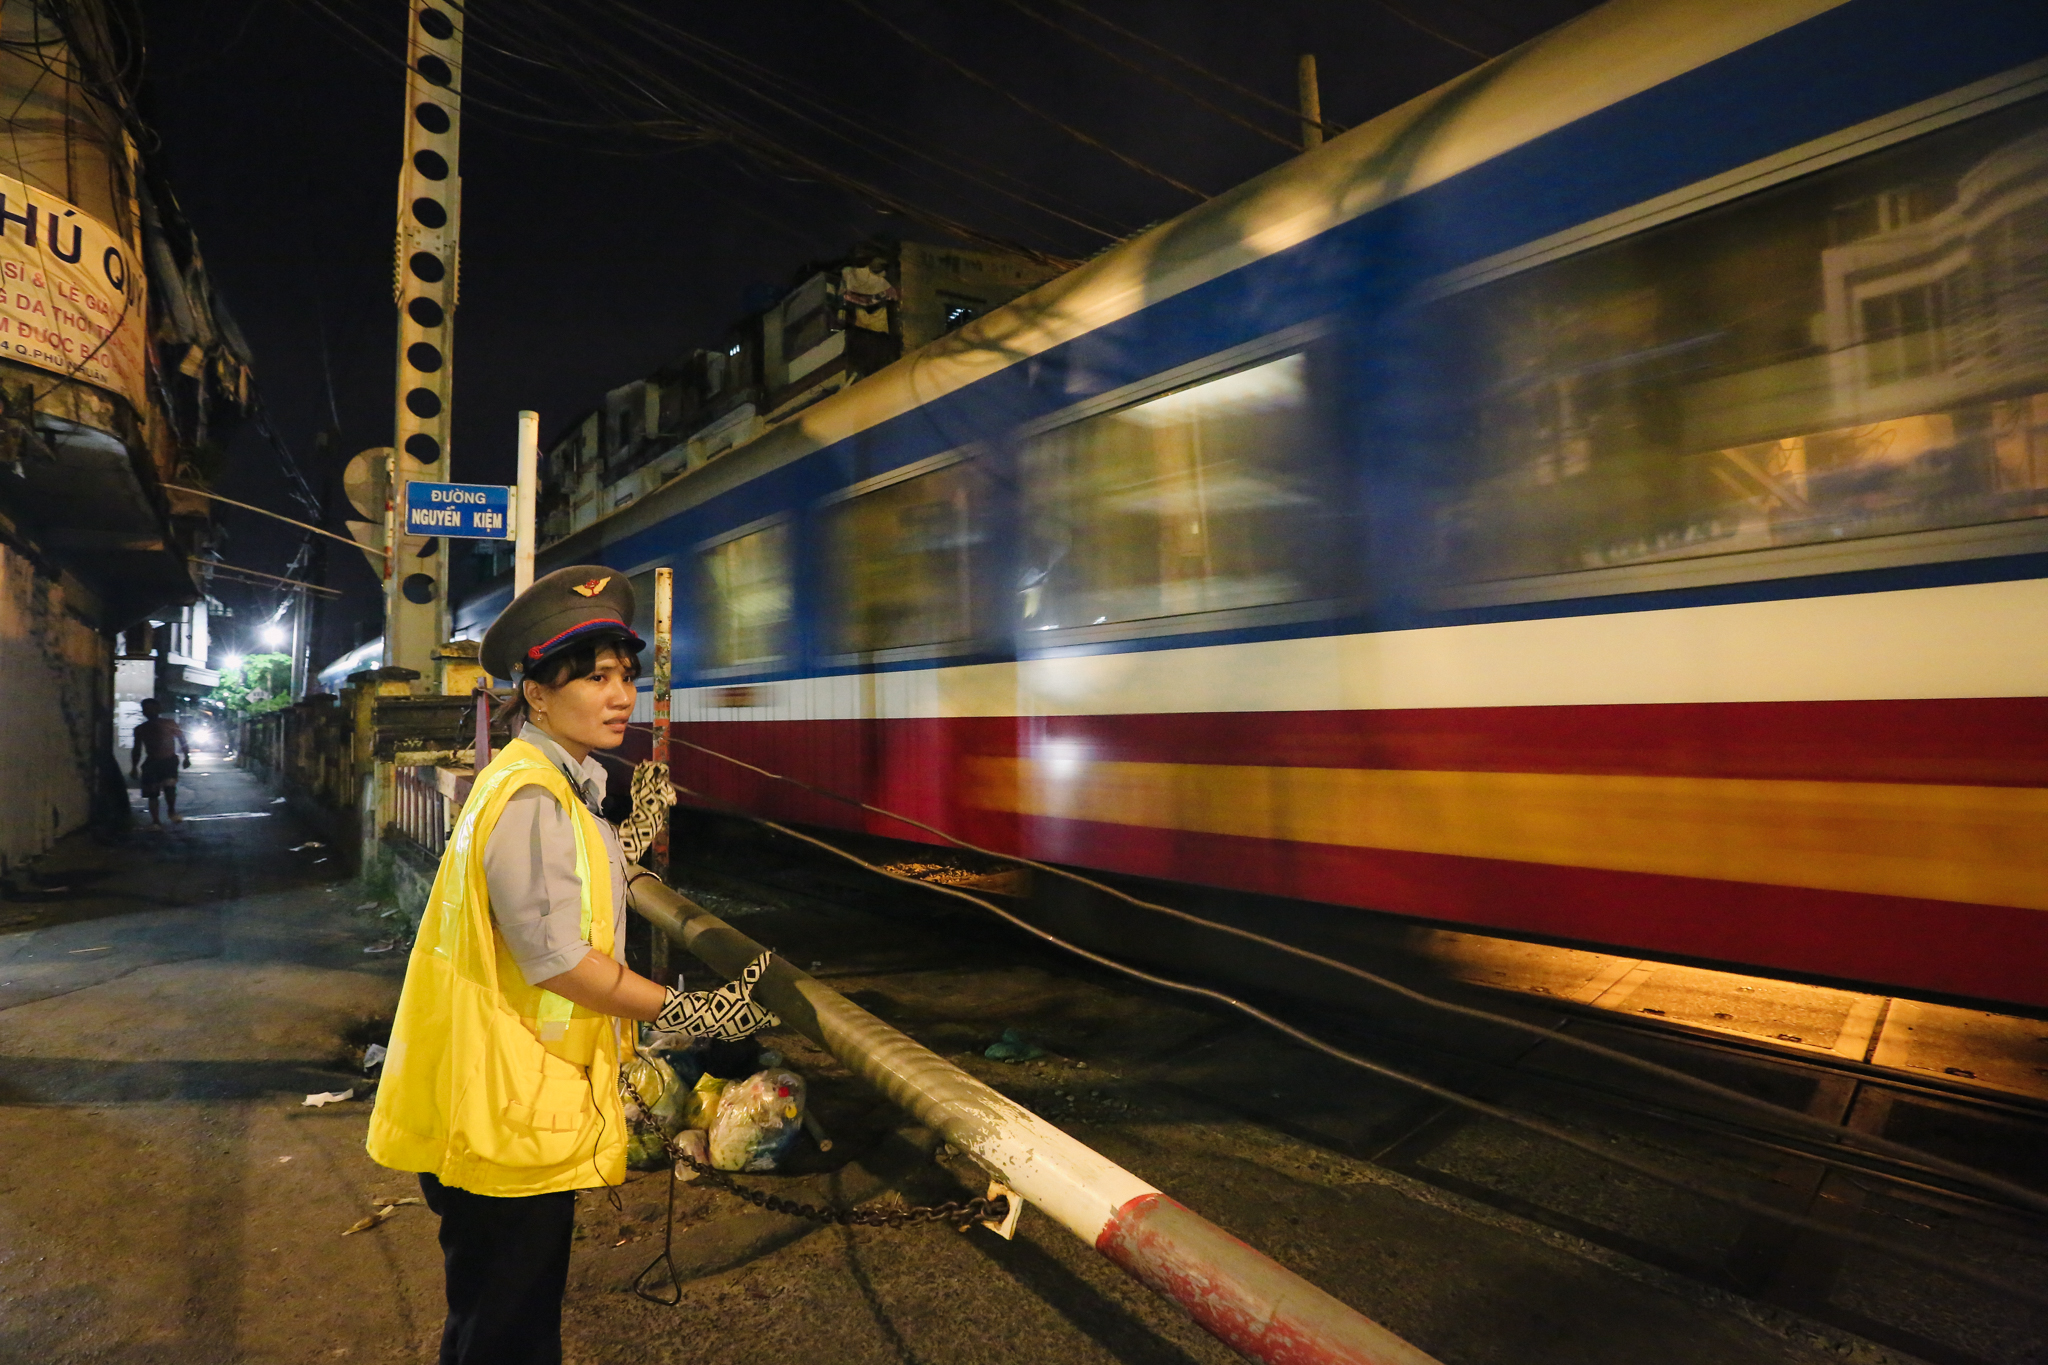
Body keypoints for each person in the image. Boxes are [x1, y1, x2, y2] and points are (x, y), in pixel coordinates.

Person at [367, 564, 775, 1365]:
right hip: (502, 1112)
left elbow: (567, 888)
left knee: (490, 1322)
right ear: (538, 693)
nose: (621, 695)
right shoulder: (533, 797)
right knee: (508, 1334)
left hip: (498, 1102)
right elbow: (558, 958)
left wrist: (633, 828)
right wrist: (692, 1011)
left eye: (625, 675)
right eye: (595, 678)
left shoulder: (550, 783)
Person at [129, 699, 190, 828]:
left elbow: (182, 739)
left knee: (169, 787)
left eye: (151, 709)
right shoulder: (141, 729)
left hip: (169, 760)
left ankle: (171, 810)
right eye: (146, 709)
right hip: (152, 762)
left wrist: (187, 756)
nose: (149, 712)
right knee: (152, 793)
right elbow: (137, 749)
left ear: (158, 710)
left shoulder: (169, 724)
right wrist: (134, 766)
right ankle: (156, 820)